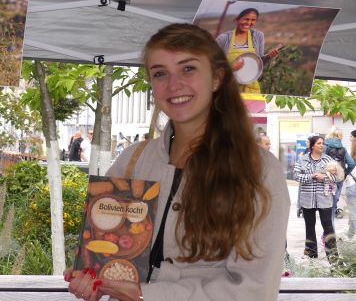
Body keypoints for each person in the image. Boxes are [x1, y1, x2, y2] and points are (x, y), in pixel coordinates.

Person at [65, 23, 290, 301]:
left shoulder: (259, 170)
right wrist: (92, 277)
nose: (174, 85)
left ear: (217, 78)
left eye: (188, 68)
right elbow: (106, 251)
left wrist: (146, 295)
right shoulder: (134, 159)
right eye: (160, 73)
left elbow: (254, 289)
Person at [294, 136, 339, 263]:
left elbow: (337, 177)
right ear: (312, 145)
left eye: (322, 143)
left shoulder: (328, 159)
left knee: (328, 227)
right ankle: (311, 254)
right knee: (309, 226)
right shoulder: (302, 159)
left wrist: (324, 177)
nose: (322, 145)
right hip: (307, 199)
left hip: (324, 198)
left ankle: (333, 256)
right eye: (319, 143)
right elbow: (296, 176)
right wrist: (312, 176)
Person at [216, 8, 282, 94]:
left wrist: (269, 56)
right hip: (228, 89)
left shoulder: (258, 36)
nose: (249, 23)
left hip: (251, 89)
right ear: (237, 20)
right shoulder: (223, 38)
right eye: (246, 19)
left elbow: (259, 63)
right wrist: (230, 68)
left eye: (253, 20)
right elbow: (212, 65)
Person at [324, 126, 355, 223]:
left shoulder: (325, 147)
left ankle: (328, 229)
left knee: (327, 200)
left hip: (328, 177)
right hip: (339, 177)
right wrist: (345, 173)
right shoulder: (343, 148)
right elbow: (352, 163)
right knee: (335, 199)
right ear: (340, 136)